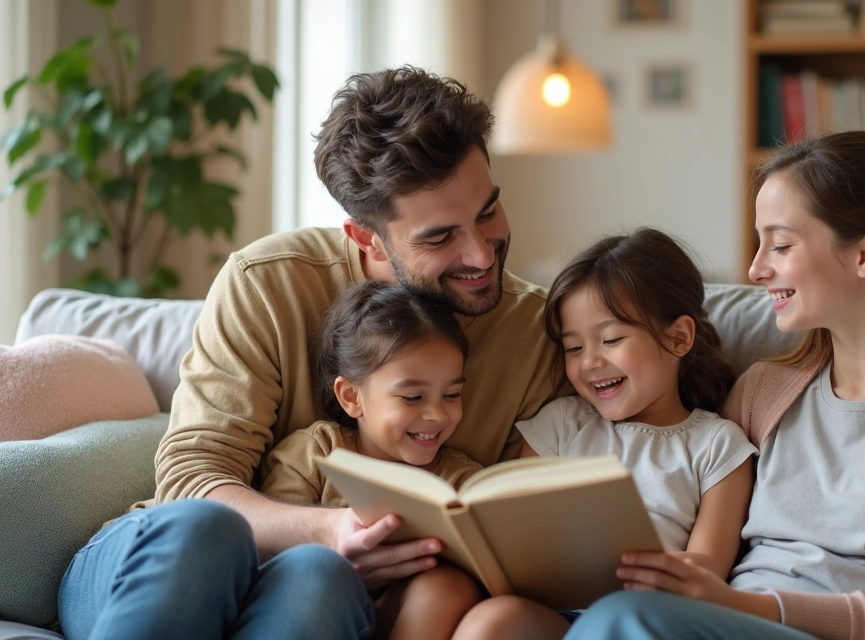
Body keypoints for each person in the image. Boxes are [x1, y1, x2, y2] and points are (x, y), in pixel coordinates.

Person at [57, 65, 566, 640]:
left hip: (325, 597)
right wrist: (329, 529)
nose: (481, 254)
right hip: (168, 564)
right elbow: (192, 478)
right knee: (209, 531)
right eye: (440, 236)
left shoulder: (540, 330)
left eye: (487, 212)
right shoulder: (268, 282)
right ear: (365, 237)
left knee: (319, 578)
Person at [565, 131, 865, 640]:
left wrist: (746, 607)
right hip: (722, 623)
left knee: (621, 622)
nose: (755, 269)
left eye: (780, 245)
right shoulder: (761, 391)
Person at [451, 228, 757, 640]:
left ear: (679, 337)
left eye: (611, 340)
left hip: (643, 614)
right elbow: (518, 526)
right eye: (573, 348)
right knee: (493, 621)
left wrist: (647, 572)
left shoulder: (717, 445)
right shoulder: (561, 424)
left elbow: (707, 567)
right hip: (555, 611)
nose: (590, 362)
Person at [260, 280, 483, 640]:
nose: (437, 415)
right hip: (315, 609)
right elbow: (275, 555)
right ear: (351, 396)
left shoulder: (462, 479)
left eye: (452, 394)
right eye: (412, 397)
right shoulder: (316, 453)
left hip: (409, 617)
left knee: (447, 585)